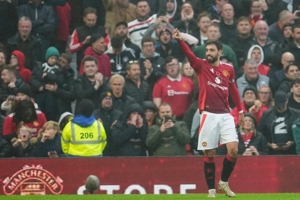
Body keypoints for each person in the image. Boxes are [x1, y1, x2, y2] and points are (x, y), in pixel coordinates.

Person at [173, 28, 244, 198]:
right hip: (208, 115)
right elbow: (189, 54)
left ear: (220, 52)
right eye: (207, 50)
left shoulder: (228, 69)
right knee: (210, 153)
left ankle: (224, 182)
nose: (209, 53)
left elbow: (233, 89)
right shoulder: (200, 65)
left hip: (226, 114)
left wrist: (240, 110)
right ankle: (211, 190)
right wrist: (179, 40)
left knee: (233, 150)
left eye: (212, 50)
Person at [92, 91, 123, 156]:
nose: (108, 100)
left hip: (115, 149)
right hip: (100, 148)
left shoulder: (119, 114)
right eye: (105, 98)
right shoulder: (94, 114)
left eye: (110, 99)